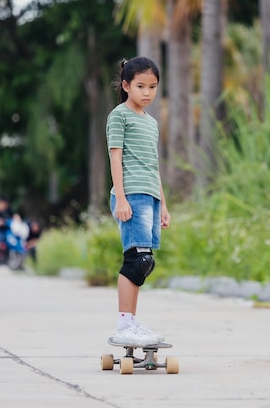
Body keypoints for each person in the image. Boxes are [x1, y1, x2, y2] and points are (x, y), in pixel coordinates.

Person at [106, 56, 171, 346]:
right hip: (130, 195)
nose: (147, 92)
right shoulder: (119, 115)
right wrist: (120, 198)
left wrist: (164, 205)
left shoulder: (152, 123)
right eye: (141, 86)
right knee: (136, 259)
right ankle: (124, 326)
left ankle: (130, 323)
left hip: (150, 197)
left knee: (145, 262)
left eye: (153, 87)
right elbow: (115, 157)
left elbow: (153, 166)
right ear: (126, 85)